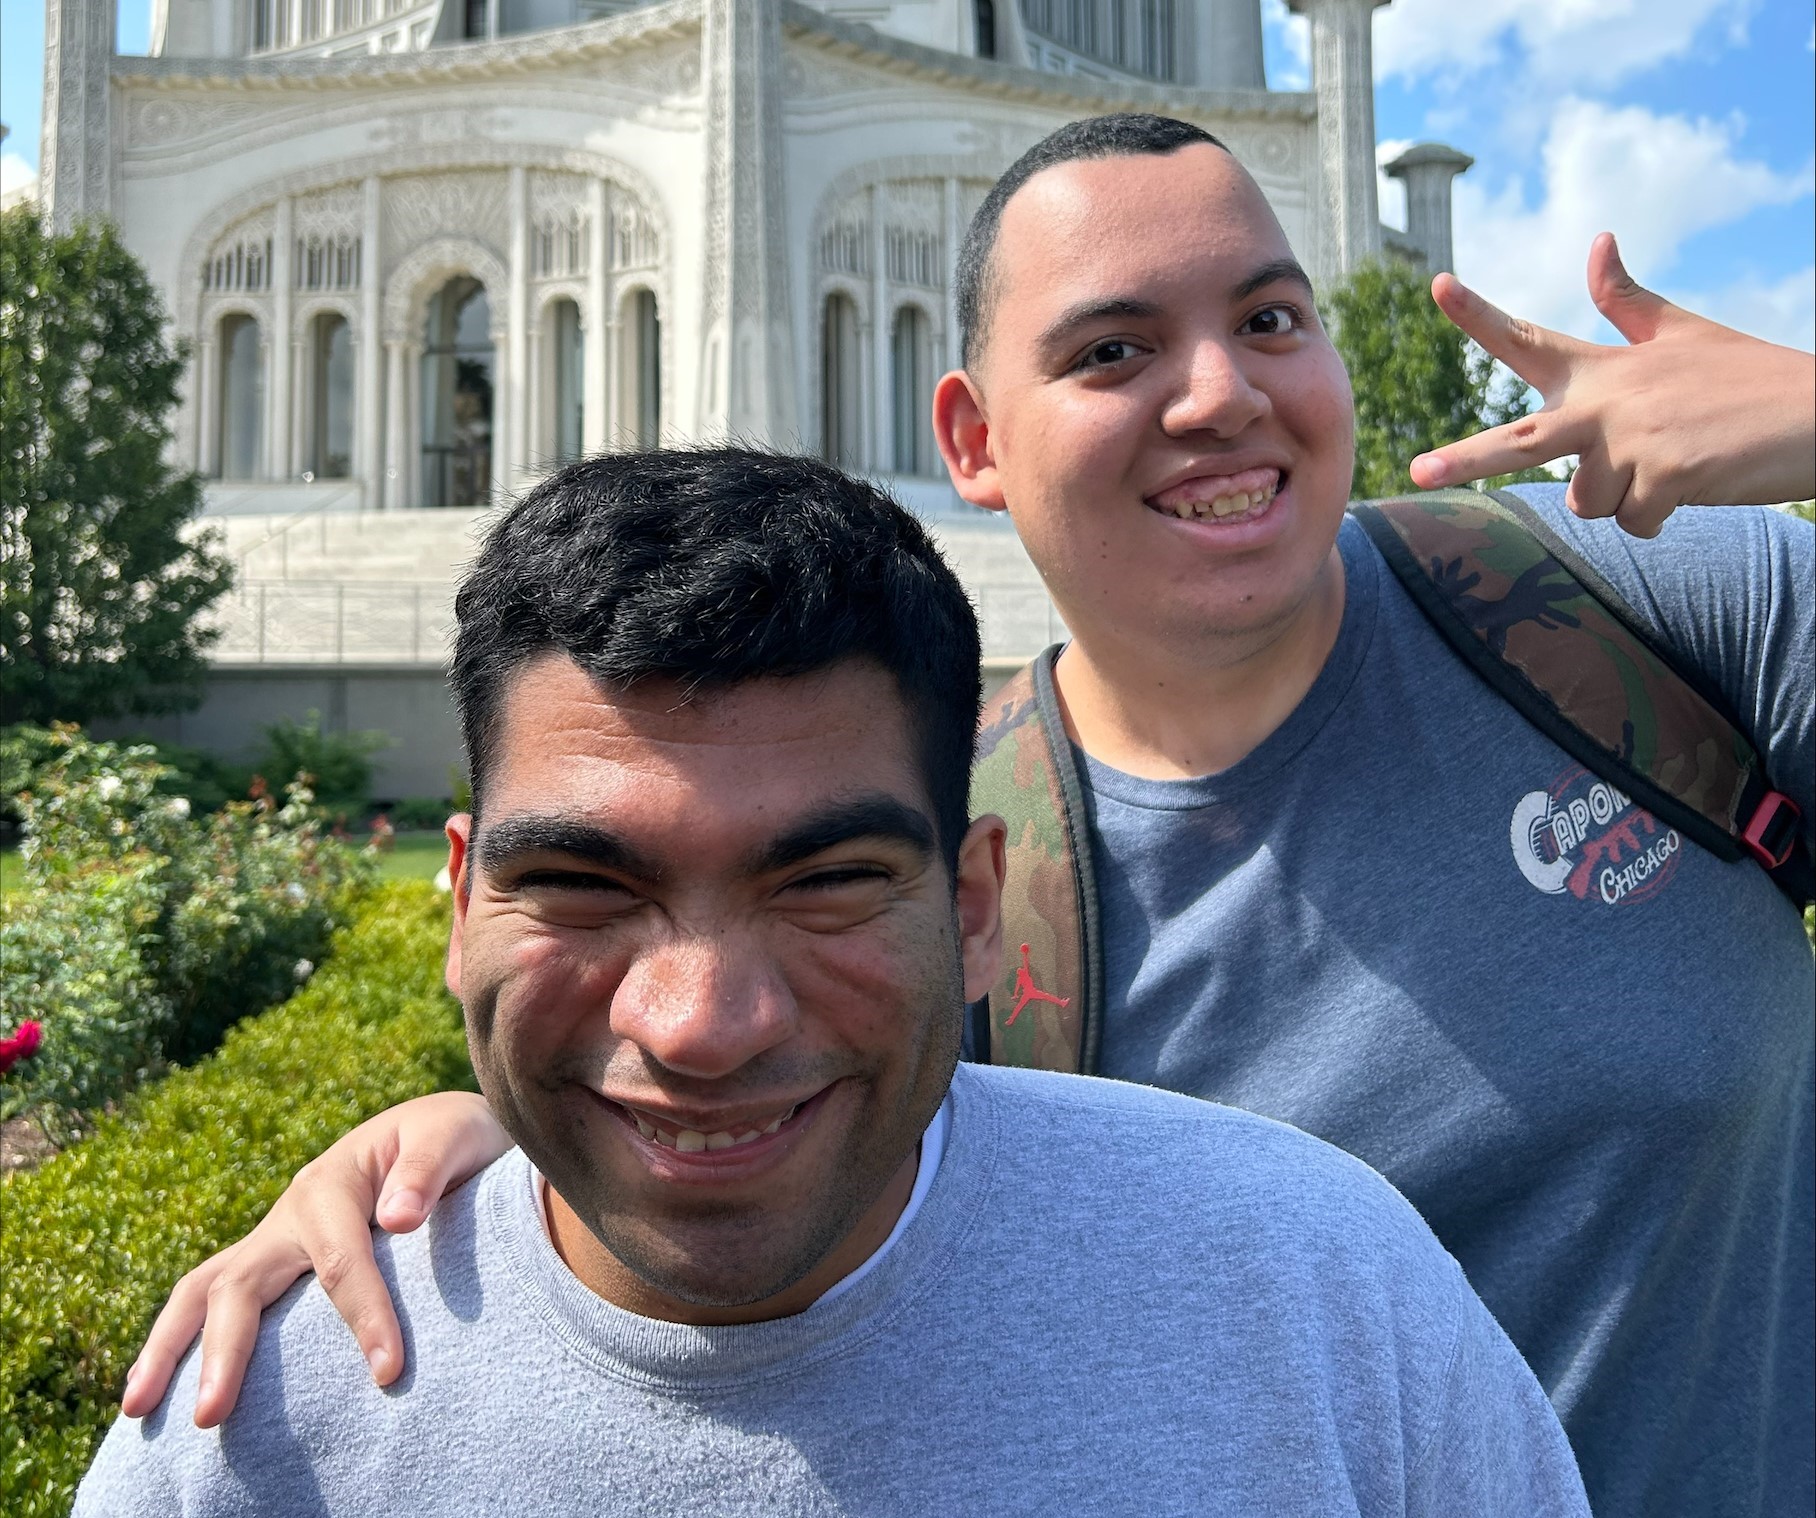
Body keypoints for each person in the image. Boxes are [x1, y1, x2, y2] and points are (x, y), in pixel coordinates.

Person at [125, 117, 1816, 1517]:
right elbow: (772, 1103)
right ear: (971, 437)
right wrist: (500, 1132)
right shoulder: (935, 851)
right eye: (1111, 349)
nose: (1219, 391)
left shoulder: (1613, 616)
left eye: (1274, 318)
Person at [77, 449, 1591, 1516]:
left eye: (822, 884)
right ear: (459, 895)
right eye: (585, 885)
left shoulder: (1321, 1303)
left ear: (976, 900)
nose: (698, 1024)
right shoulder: (255, 1419)